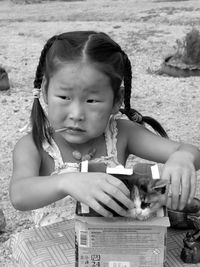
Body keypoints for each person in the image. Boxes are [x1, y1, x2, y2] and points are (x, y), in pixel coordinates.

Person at [10, 31, 200, 227]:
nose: (76, 114)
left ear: (116, 100)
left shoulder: (121, 134)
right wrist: (66, 182)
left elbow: (190, 152)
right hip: (54, 249)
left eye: (91, 101)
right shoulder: (34, 144)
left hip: (109, 246)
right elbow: (19, 194)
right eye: (64, 97)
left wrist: (182, 159)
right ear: (45, 91)